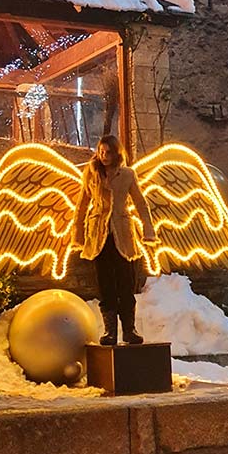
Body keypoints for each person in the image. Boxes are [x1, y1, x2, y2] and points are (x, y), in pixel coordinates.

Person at [73, 133, 156, 345]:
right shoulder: (91, 174)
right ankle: (110, 332)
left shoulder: (127, 174)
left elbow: (140, 203)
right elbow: (82, 204)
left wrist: (148, 230)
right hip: (99, 235)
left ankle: (129, 329)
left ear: (116, 152)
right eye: (101, 152)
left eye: (108, 152)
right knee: (105, 285)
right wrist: (78, 234)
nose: (104, 156)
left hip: (122, 235)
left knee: (126, 283)